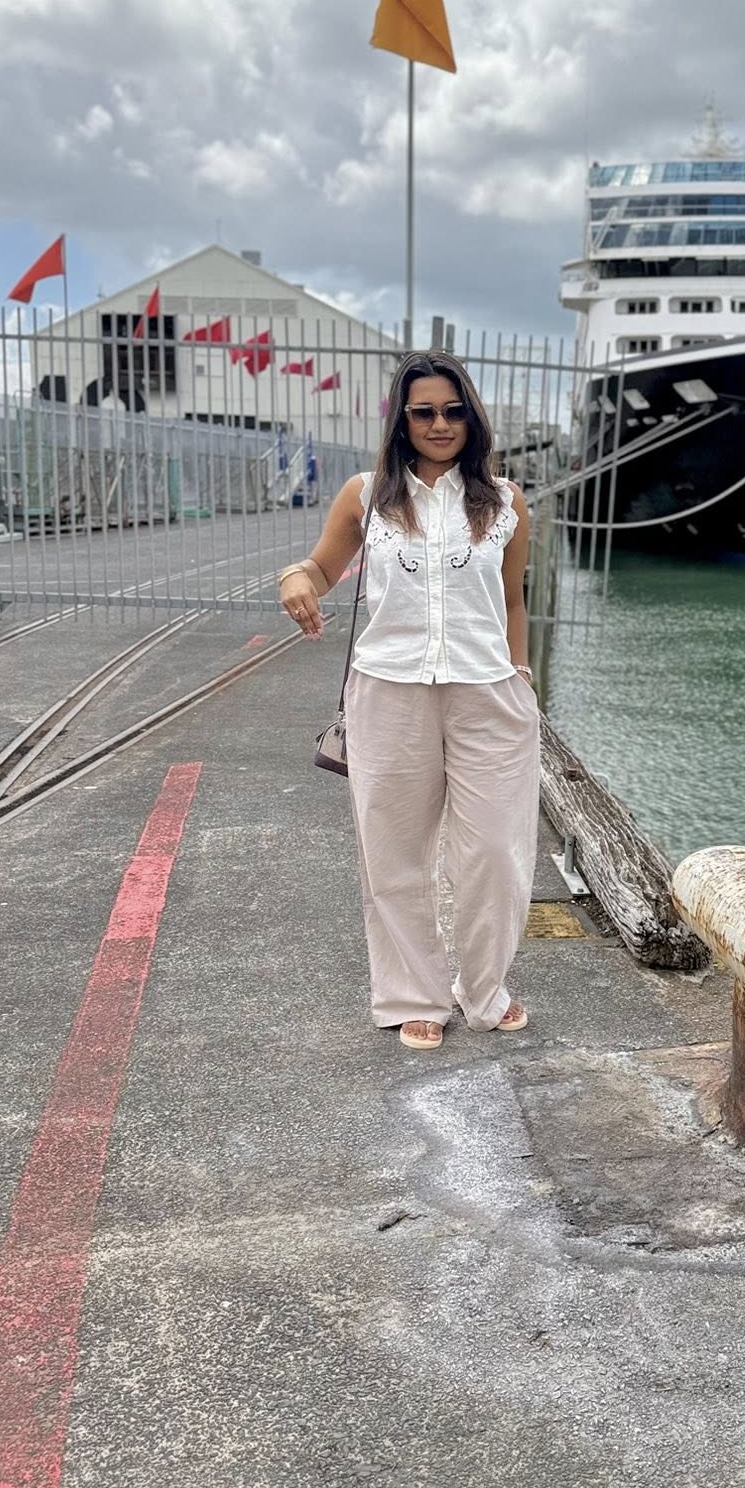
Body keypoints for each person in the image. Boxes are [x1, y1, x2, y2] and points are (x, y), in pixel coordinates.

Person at [277, 351, 540, 1050]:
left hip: (489, 693)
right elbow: (322, 567)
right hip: (389, 691)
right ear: (401, 420)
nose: (439, 424)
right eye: (423, 412)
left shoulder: (505, 501)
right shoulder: (366, 496)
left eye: (453, 411)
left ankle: (484, 989)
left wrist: (521, 674)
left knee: (496, 853)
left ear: (472, 417)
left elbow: (513, 599)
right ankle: (413, 992)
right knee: (393, 854)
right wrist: (295, 579)